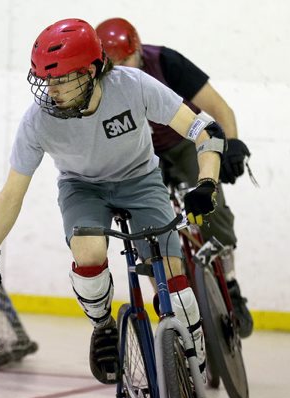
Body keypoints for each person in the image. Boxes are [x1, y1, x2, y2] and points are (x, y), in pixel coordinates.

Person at [0, 18, 227, 398]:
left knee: (176, 291)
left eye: (60, 80)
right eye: (45, 81)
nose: (51, 91)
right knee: (88, 252)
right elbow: (12, 193)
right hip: (82, 187)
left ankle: (197, 386)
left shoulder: (133, 85)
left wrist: (206, 184)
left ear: (90, 72)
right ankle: (103, 327)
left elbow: (204, 130)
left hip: (141, 179)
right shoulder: (38, 121)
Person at [95, 17, 253, 338]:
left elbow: (219, 108)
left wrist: (232, 144)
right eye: (114, 65)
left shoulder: (166, 62)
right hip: (138, 156)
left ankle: (231, 283)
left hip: (181, 142)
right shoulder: (97, 81)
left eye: (126, 60)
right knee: (150, 229)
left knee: (212, 202)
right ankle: (169, 303)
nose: (122, 69)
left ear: (138, 51)